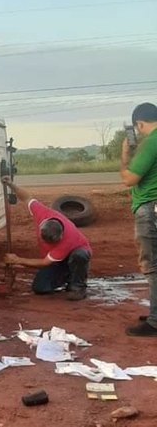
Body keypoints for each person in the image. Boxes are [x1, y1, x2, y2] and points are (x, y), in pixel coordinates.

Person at [1, 176, 92, 301]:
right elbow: (27, 198)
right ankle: (68, 274)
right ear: (42, 229)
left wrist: (17, 260)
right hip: (57, 260)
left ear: (61, 235)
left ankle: (78, 286)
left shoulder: (67, 240)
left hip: (75, 254)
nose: (49, 244)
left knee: (79, 256)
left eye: (53, 242)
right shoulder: (42, 214)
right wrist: (11, 185)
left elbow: (45, 262)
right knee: (41, 287)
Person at [120, 102, 157, 336]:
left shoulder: (151, 143)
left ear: (139, 124)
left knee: (152, 265)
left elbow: (129, 179)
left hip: (150, 208)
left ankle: (154, 321)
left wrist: (125, 155)